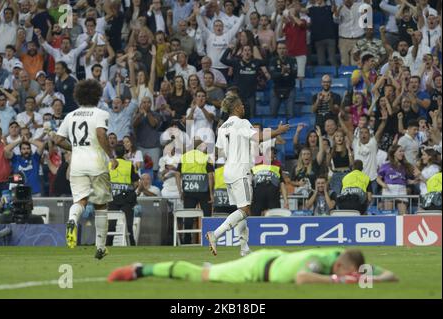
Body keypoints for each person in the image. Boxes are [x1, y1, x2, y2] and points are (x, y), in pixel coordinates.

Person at [208, 94, 290, 256]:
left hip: (228, 171)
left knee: (242, 210)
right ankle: (215, 235)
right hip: (241, 171)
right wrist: (278, 131)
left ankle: (244, 249)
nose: (244, 108)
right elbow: (258, 138)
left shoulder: (223, 126)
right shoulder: (242, 122)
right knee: (245, 210)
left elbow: (217, 152)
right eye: (242, 106)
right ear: (237, 107)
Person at [54, 79, 118, 260]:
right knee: (101, 205)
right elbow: (100, 134)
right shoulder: (100, 113)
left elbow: (58, 140)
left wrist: (74, 148)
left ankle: (72, 221)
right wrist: (111, 157)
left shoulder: (70, 115)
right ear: (97, 95)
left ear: (78, 96)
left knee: (80, 201)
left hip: (77, 165)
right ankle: (100, 247)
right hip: (97, 163)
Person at [108, 247, 398, 284]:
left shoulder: (343, 259)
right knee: (204, 276)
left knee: (212, 271)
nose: (345, 276)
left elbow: (391, 276)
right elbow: (301, 278)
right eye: (343, 272)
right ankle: (140, 269)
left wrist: (374, 278)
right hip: (258, 269)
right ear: (340, 265)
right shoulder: (321, 262)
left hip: (270, 260)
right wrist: (340, 282)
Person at [175, 139, 214, 245]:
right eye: (204, 146)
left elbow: (177, 174)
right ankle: (208, 241)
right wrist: (211, 194)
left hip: (188, 191)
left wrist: (180, 190)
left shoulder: (184, 157)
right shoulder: (206, 158)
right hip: (204, 192)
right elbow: (210, 176)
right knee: (207, 217)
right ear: (200, 147)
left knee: (188, 217)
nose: (206, 148)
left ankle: (186, 241)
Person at [108, 144, 140, 246]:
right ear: (125, 153)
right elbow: (136, 183)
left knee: (111, 224)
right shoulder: (129, 165)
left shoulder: (108, 165)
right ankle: (132, 244)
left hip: (112, 197)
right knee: (128, 224)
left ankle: (108, 245)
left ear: (114, 153)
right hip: (126, 197)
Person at [377, 145, 416, 215]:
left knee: (403, 214)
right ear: (394, 153)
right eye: (400, 151)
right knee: (388, 214)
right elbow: (378, 178)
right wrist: (383, 184)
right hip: (389, 189)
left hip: (401, 190)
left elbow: (404, 180)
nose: (402, 153)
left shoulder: (405, 166)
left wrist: (413, 181)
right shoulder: (386, 165)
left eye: (403, 151)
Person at [251, 147, 289, 216]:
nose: (271, 155)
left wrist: (286, 200)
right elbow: (249, 184)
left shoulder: (277, 168)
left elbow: (282, 184)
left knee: (275, 220)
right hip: (257, 199)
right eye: (269, 154)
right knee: (254, 221)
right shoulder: (254, 167)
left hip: (273, 199)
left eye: (273, 154)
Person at [268, 41, 297, 119]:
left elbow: (295, 74)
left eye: (283, 48)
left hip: (290, 89)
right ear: (277, 50)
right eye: (280, 48)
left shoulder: (292, 60)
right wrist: (282, 72)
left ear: (287, 49)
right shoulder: (273, 60)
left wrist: (289, 71)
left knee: (290, 115)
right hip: (276, 89)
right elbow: (273, 76)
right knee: (272, 115)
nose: (282, 50)